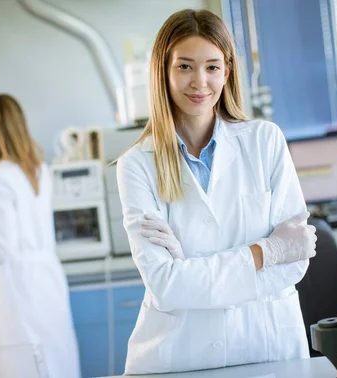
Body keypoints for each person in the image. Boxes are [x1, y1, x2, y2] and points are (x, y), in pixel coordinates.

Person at [116, 9, 317, 375]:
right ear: (163, 71)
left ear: (227, 71)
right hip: (179, 353)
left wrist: (189, 268)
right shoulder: (137, 164)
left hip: (266, 345)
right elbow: (165, 285)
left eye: (212, 66)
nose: (200, 82)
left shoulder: (264, 141)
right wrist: (266, 251)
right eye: (185, 67)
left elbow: (295, 262)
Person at [0, 94, 80, 378]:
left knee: (23, 365)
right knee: (57, 359)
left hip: (17, 285)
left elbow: (1, 246)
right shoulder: (38, 169)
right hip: (47, 277)